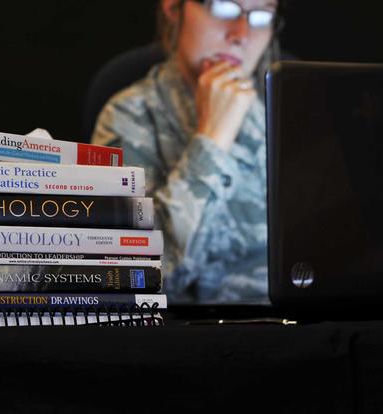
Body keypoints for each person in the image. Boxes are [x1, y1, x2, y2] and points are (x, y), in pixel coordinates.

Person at [91, 0, 280, 304]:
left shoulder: (282, 114)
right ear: (173, 7)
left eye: (262, 16)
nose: (241, 33)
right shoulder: (128, 116)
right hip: (188, 338)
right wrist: (212, 139)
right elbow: (141, 275)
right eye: (224, 8)